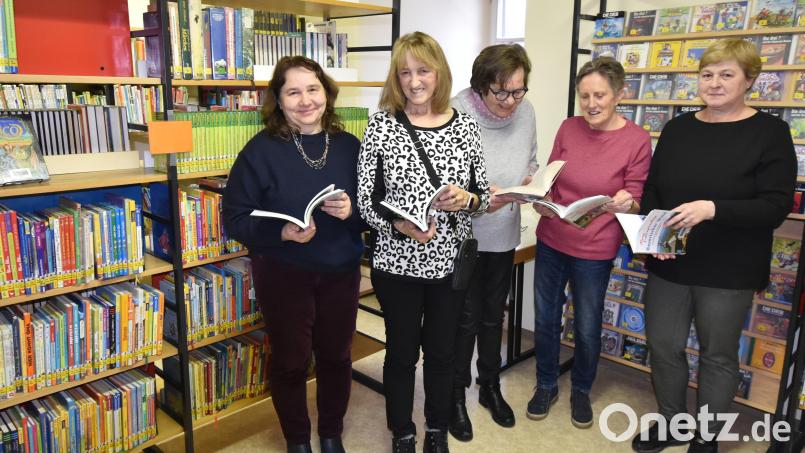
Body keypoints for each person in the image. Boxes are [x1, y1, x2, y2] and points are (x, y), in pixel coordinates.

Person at [632, 39, 795, 453]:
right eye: (707, 74)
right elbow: (653, 190)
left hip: (729, 268)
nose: (714, 83)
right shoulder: (678, 128)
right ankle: (672, 422)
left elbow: (775, 206)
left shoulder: (770, 133)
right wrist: (655, 235)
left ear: (749, 80)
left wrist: (712, 209)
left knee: (717, 356)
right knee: (663, 346)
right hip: (670, 260)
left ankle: (707, 438)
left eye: (726, 74)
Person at [222, 56, 366, 453]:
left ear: (327, 93)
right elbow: (234, 218)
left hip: (341, 271)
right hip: (284, 273)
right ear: (279, 100)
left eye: (313, 89)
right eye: (293, 92)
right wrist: (281, 232)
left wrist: (352, 211)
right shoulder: (260, 151)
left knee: (336, 356)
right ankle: (298, 441)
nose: (306, 101)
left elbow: (374, 211)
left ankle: (331, 434)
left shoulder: (350, 146)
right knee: (291, 361)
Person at [357, 31, 490, 453]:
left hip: (449, 267)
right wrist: (398, 225)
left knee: (442, 352)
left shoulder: (465, 125)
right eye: (405, 73)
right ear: (396, 78)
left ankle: (436, 428)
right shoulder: (381, 125)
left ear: (439, 73)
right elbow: (365, 201)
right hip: (396, 264)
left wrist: (467, 200)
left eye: (423, 71)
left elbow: (483, 196)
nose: (414, 81)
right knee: (400, 354)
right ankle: (402, 431)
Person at [528, 57, 652, 428]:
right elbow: (551, 178)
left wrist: (628, 201)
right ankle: (546, 383)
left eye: (599, 96)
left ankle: (581, 389)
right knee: (546, 318)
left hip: (595, 249)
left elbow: (637, 195)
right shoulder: (568, 127)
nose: (591, 104)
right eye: (584, 96)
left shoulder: (636, 139)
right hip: (552, 238)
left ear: (620, 94)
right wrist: (541, 198)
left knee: (586, 323)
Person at [447, 43, 537, 442]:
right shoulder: (455, 112)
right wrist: (480, 196)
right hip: (462, 237)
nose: (510, 101)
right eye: (501, 92)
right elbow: (443, 179)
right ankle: (455, 394)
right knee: (463, 320)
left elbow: (531, 158)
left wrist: (531, 181)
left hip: (503, 231)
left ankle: (489, 385)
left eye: (518, 91)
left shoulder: (526, 111)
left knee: (491, 316)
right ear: (481, 85)